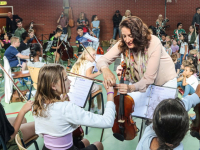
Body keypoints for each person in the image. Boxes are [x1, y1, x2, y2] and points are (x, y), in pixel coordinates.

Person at [96, 16, 177, 106]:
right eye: (124, 36)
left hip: (164, 83)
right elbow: (102, 60)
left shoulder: (153, 42)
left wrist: (130, 88)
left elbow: (149, 78)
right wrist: (105, 70)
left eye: (131, 36)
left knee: (160, 116)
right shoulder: (123, 43)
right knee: (133, 110)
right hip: (141, 83)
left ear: (139, 34)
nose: (127, 40)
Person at [33, 64, 115, 150]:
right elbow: (107, 121)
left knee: (85, 141)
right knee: (98, 145)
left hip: (47, 148)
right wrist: (110, 93)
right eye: (65, 79)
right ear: (53, 86)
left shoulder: (37, 104)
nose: (70, 81)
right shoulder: (66, 108)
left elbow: (42, 134)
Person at [136, 84, 200, 150]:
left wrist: (195, 97)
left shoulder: (148, 133)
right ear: (185, 131)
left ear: (154, 127)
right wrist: (195, 96)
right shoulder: (180, 148)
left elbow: (171, 111)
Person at [71, 47, 102, 114]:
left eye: (95, 55)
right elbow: (88, 76)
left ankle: (92, 106)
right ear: (86, 55)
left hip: (76, 87)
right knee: (100, 87)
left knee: (92, 85)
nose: (95, 56)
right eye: (93, 54)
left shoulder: (78, 62)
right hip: (84, 87)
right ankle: (100, 108)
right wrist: (98, 73)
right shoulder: (89, 64)